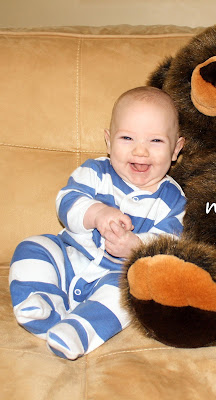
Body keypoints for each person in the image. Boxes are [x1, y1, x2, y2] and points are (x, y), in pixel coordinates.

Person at [9, 86, 186, 360]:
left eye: (155, 141)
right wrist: (97, 213)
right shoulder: (94, 172)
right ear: (108, 142)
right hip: (69, 258)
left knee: (131, 295)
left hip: (116, 276)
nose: (140, 150)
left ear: (176, 149)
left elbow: (170, 245)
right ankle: (42, 301)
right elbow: (67, 201)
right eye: (127, 137)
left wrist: (136, 246)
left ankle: (78, 330)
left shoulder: (174, 200)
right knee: (33, 247)